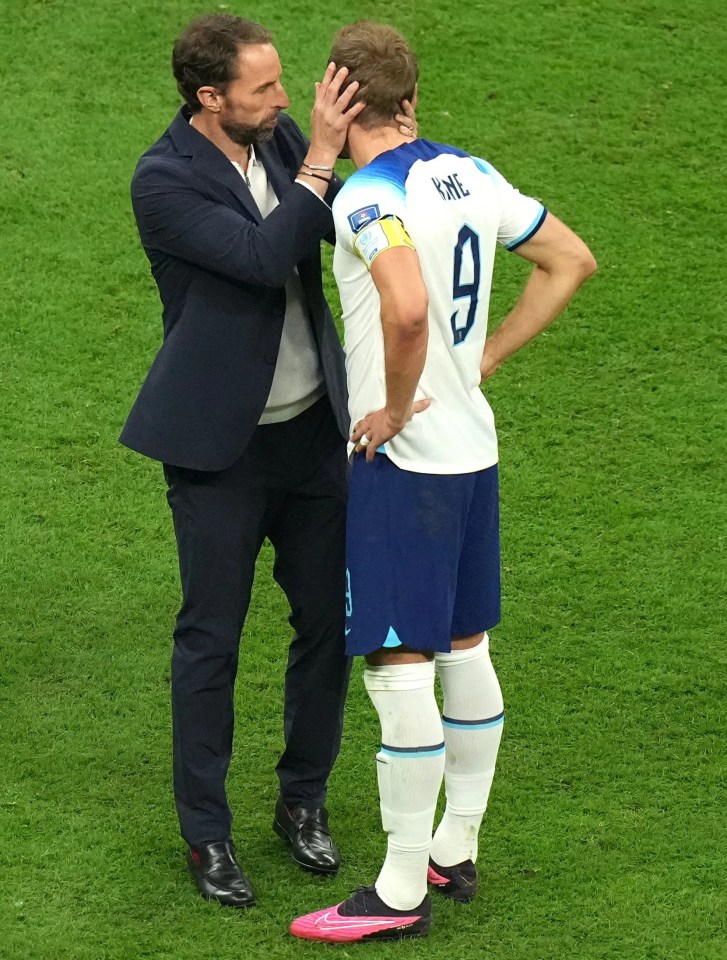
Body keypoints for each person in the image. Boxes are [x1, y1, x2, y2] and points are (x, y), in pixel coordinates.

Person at [289, 21, 597, 943]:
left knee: (396, 664)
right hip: (473, 452)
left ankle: (394, 889)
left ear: (340, 99)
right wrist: (484, 360)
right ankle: (452, 846)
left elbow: (408, 305)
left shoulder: (363, 198)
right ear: (411, 98)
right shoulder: (469, 172)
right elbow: (568, 260)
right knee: (465, 645)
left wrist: (388, 407)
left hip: (404, 463)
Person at [120, 14, 415, 908]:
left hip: (311, 435)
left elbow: (340, 231)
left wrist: (394, 167)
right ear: (210, 99)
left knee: (327, 625)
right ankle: (206, 834)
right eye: (264, 88)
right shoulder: (163, 181)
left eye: (285, 84)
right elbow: (260, 257)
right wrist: (322, 163)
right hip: (220, 453)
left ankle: (302, 802)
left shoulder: (281, 137)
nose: (286, 101)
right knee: (210, 640)